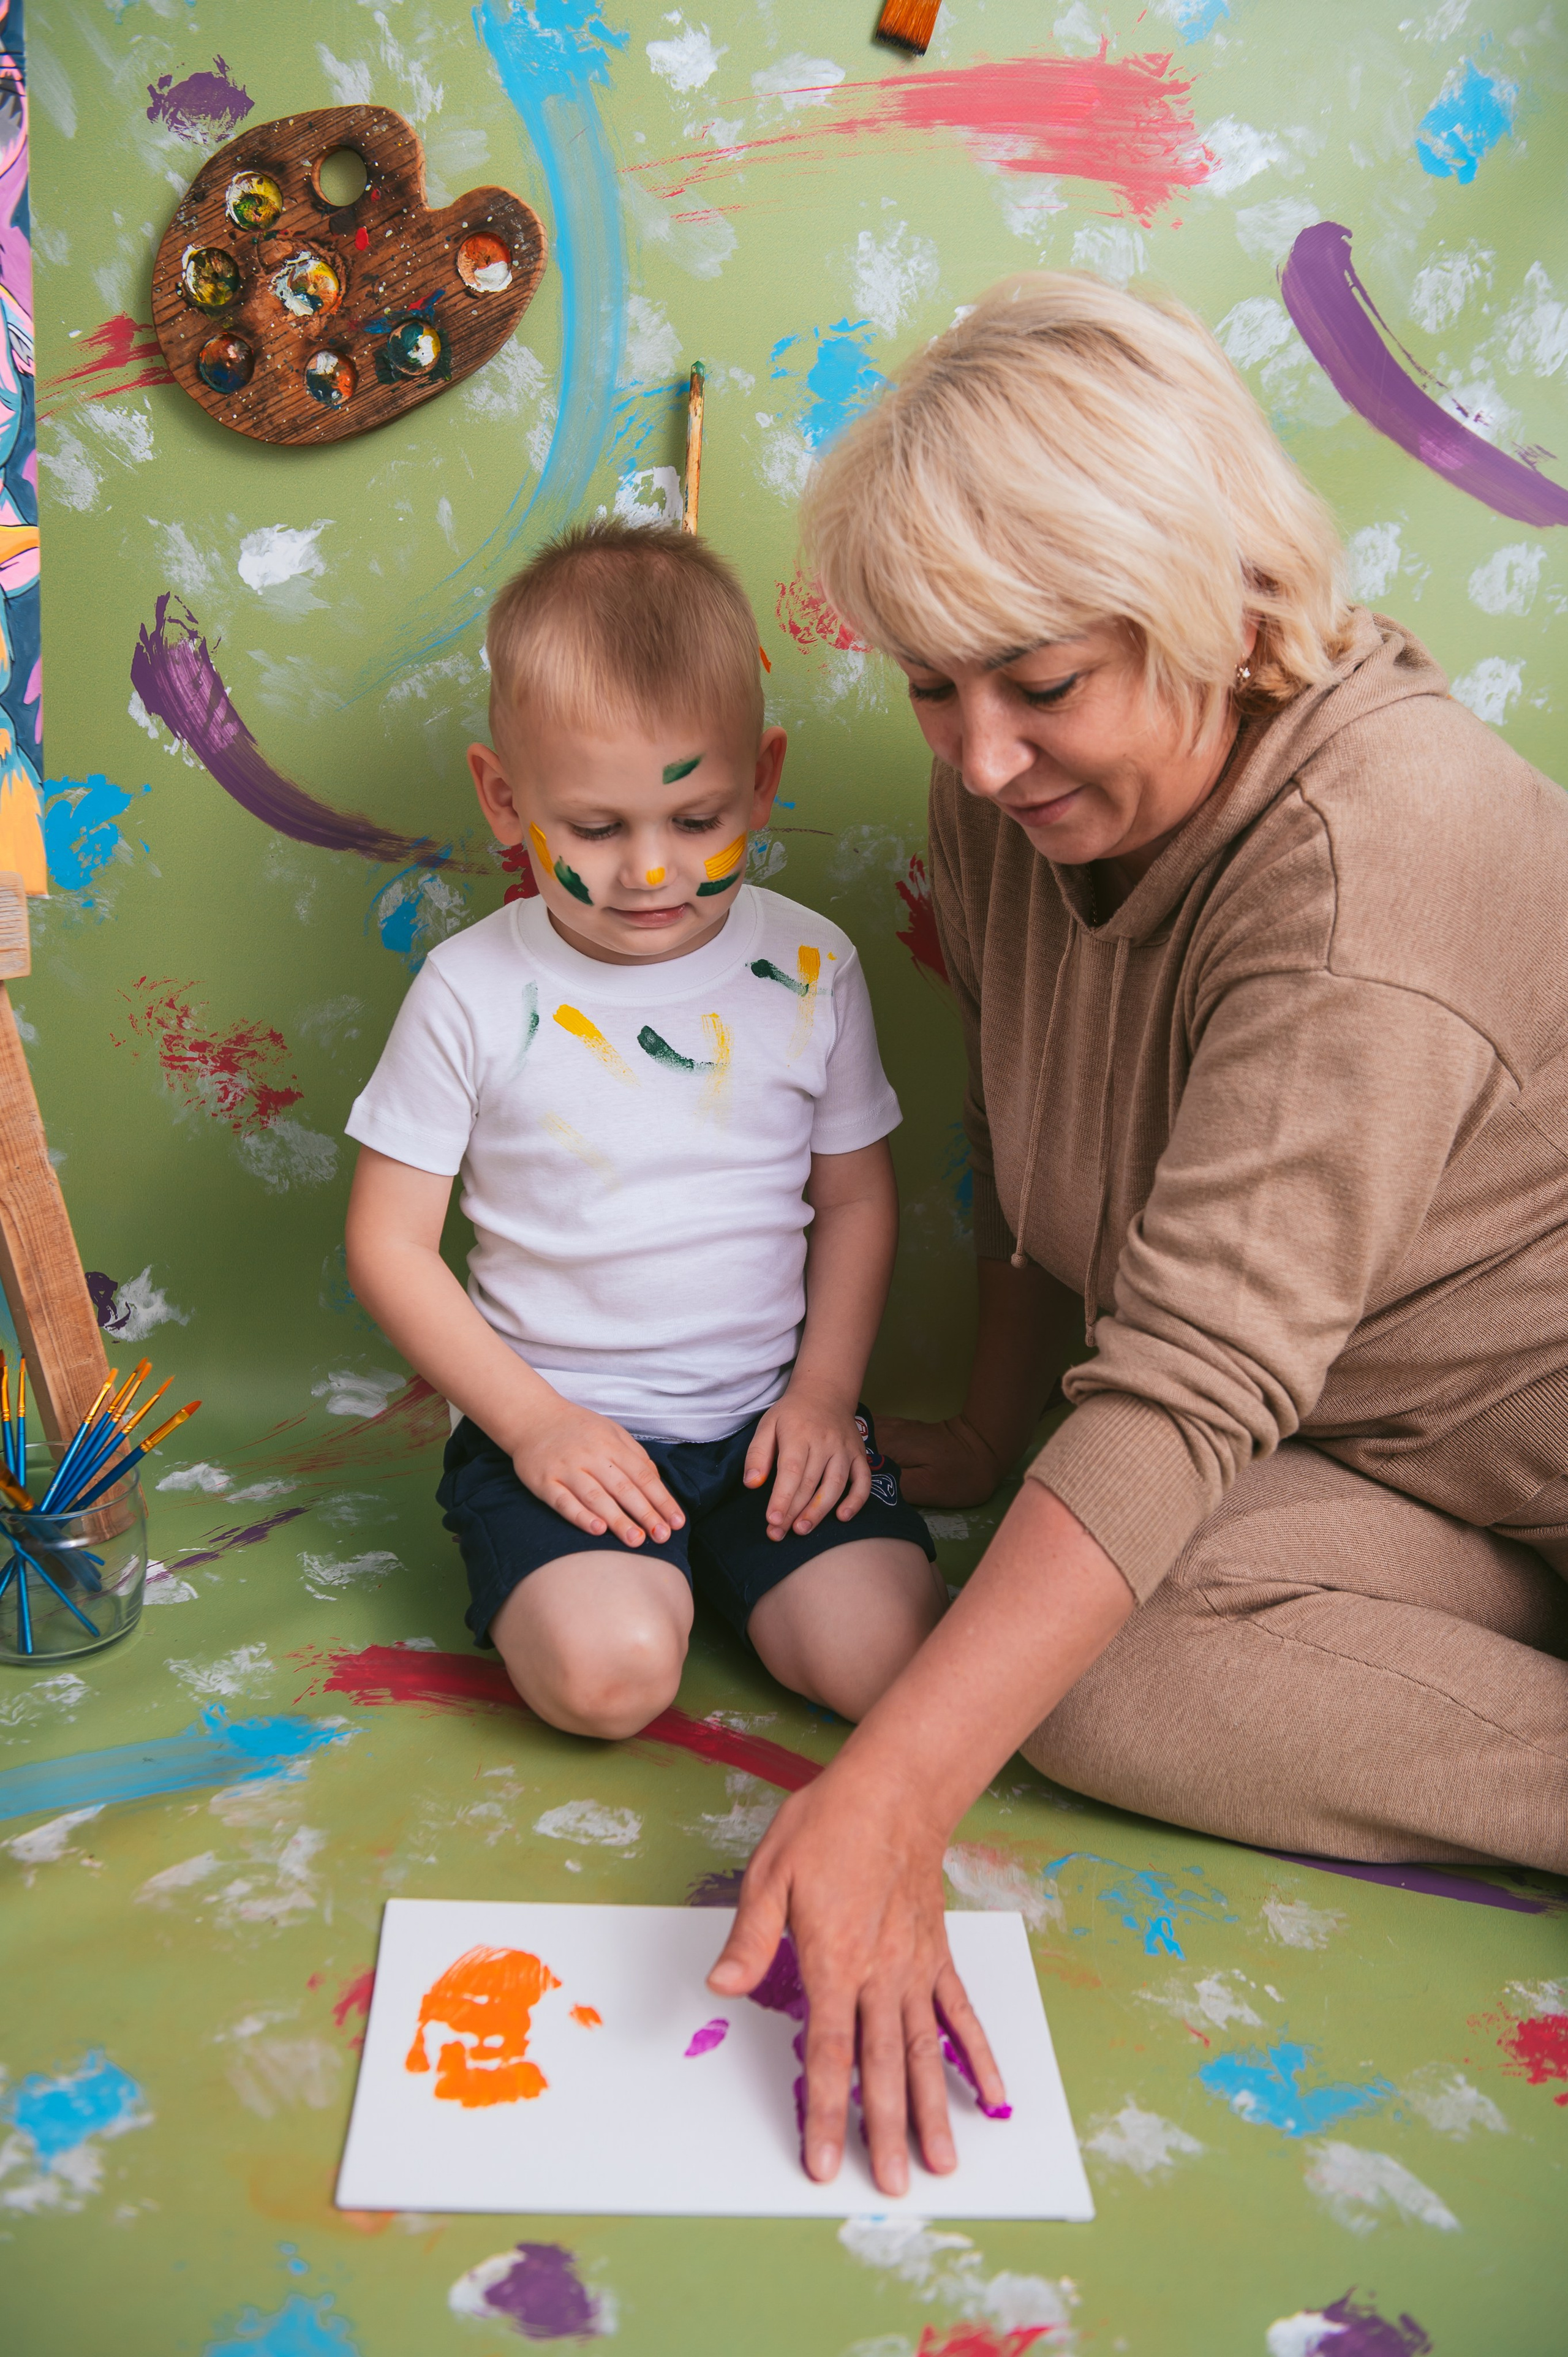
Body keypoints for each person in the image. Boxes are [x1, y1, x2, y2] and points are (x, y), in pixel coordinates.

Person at [707, 271, 1568, 2201]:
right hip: (1405, 1465)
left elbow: (1192, 1378)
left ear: (1228, 607)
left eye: (1042, 682)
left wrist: (890, 1803)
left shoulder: (1369, 853)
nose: (984, 757)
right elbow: (1039, 1148)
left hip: (1479, 1449)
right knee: (1091, 1671)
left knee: (984, 1687)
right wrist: (1003, 1437)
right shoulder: (1018, 800)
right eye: (936, 682)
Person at [343, 521, 943, 1742]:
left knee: (892, 1665)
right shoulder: (469, 990)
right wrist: (534, 1427)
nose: (651, 871)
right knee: (610, 1682)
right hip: (558, 1436)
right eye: (597, 828)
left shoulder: (810, 966)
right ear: (505, 801)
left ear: (761, 777)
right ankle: (636, 1589)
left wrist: (825, 1396)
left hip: (770, 1430)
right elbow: (388, 1245)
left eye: (695, 817)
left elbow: (857, 1201)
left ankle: (725, 1569)